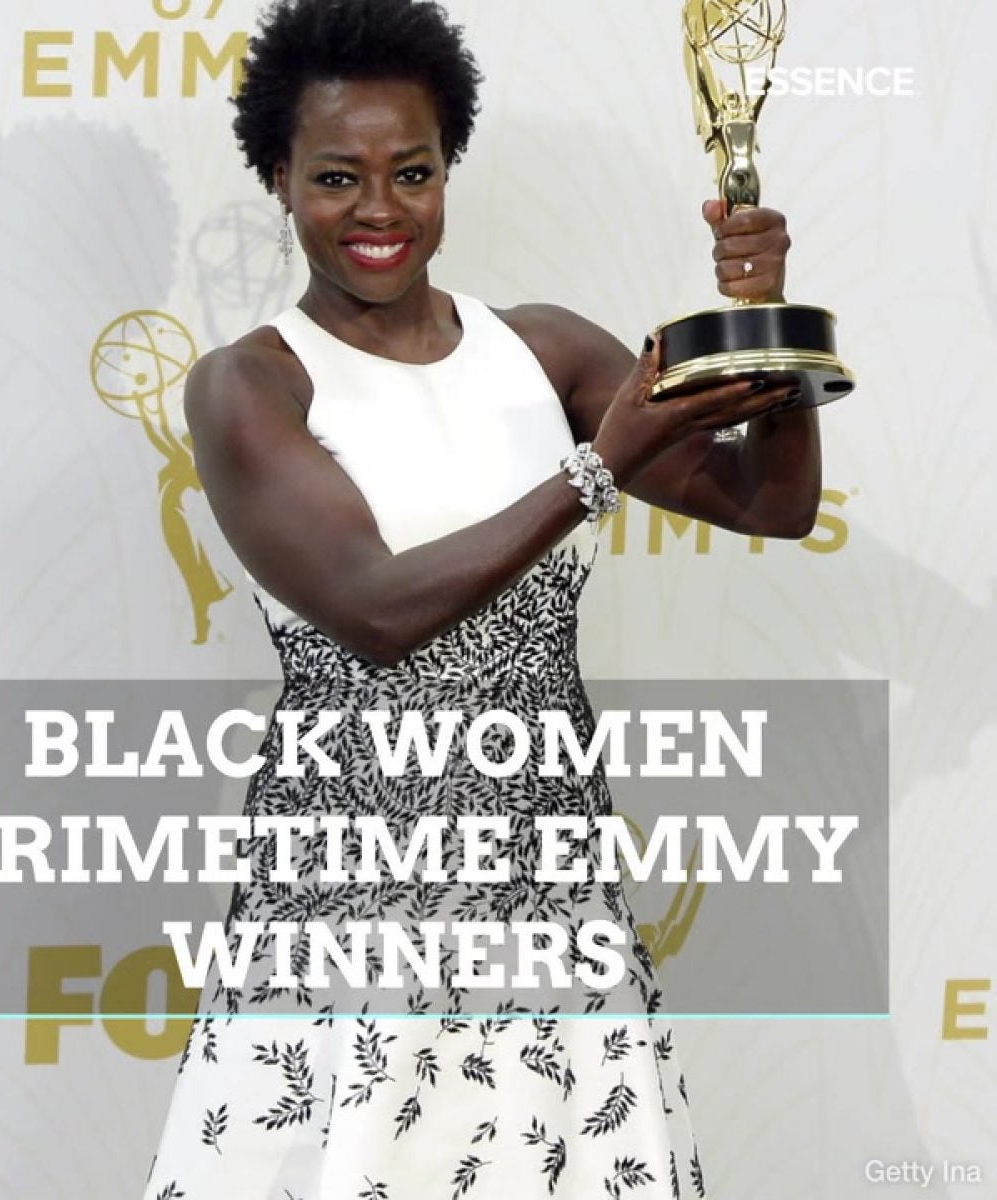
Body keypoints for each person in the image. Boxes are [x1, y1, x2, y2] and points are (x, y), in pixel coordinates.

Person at [142, 1, 814, 1197]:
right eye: (337, 177)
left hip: (547, 886)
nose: (380, 210)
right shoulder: (250, 385)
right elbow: (374, 612)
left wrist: (768, 330)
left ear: (449, 168)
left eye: (413, 172)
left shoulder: (542, 351)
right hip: (350, 891)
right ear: (278, 180)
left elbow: (773, 502)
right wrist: (596, 469)